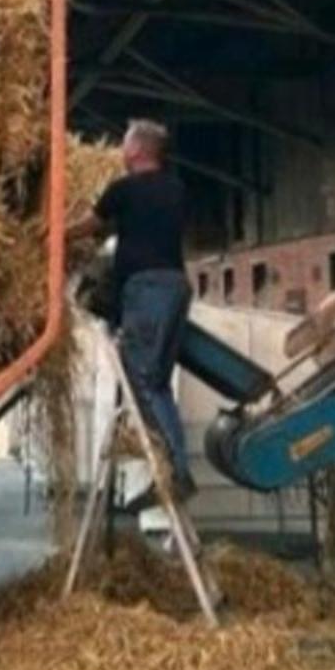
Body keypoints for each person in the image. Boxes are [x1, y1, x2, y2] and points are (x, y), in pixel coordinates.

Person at [68, 118, 195, 508]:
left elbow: (91, 226)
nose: (121, 152)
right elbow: (137, 228)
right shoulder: (176, 189)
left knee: (145, 380)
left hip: (146, 290)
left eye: (124, 145)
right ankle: (169, 466)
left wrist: (53, 235)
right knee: (155, 379)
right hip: (176, 286)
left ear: (137, 150)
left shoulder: (124, 189)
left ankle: (174, 472)